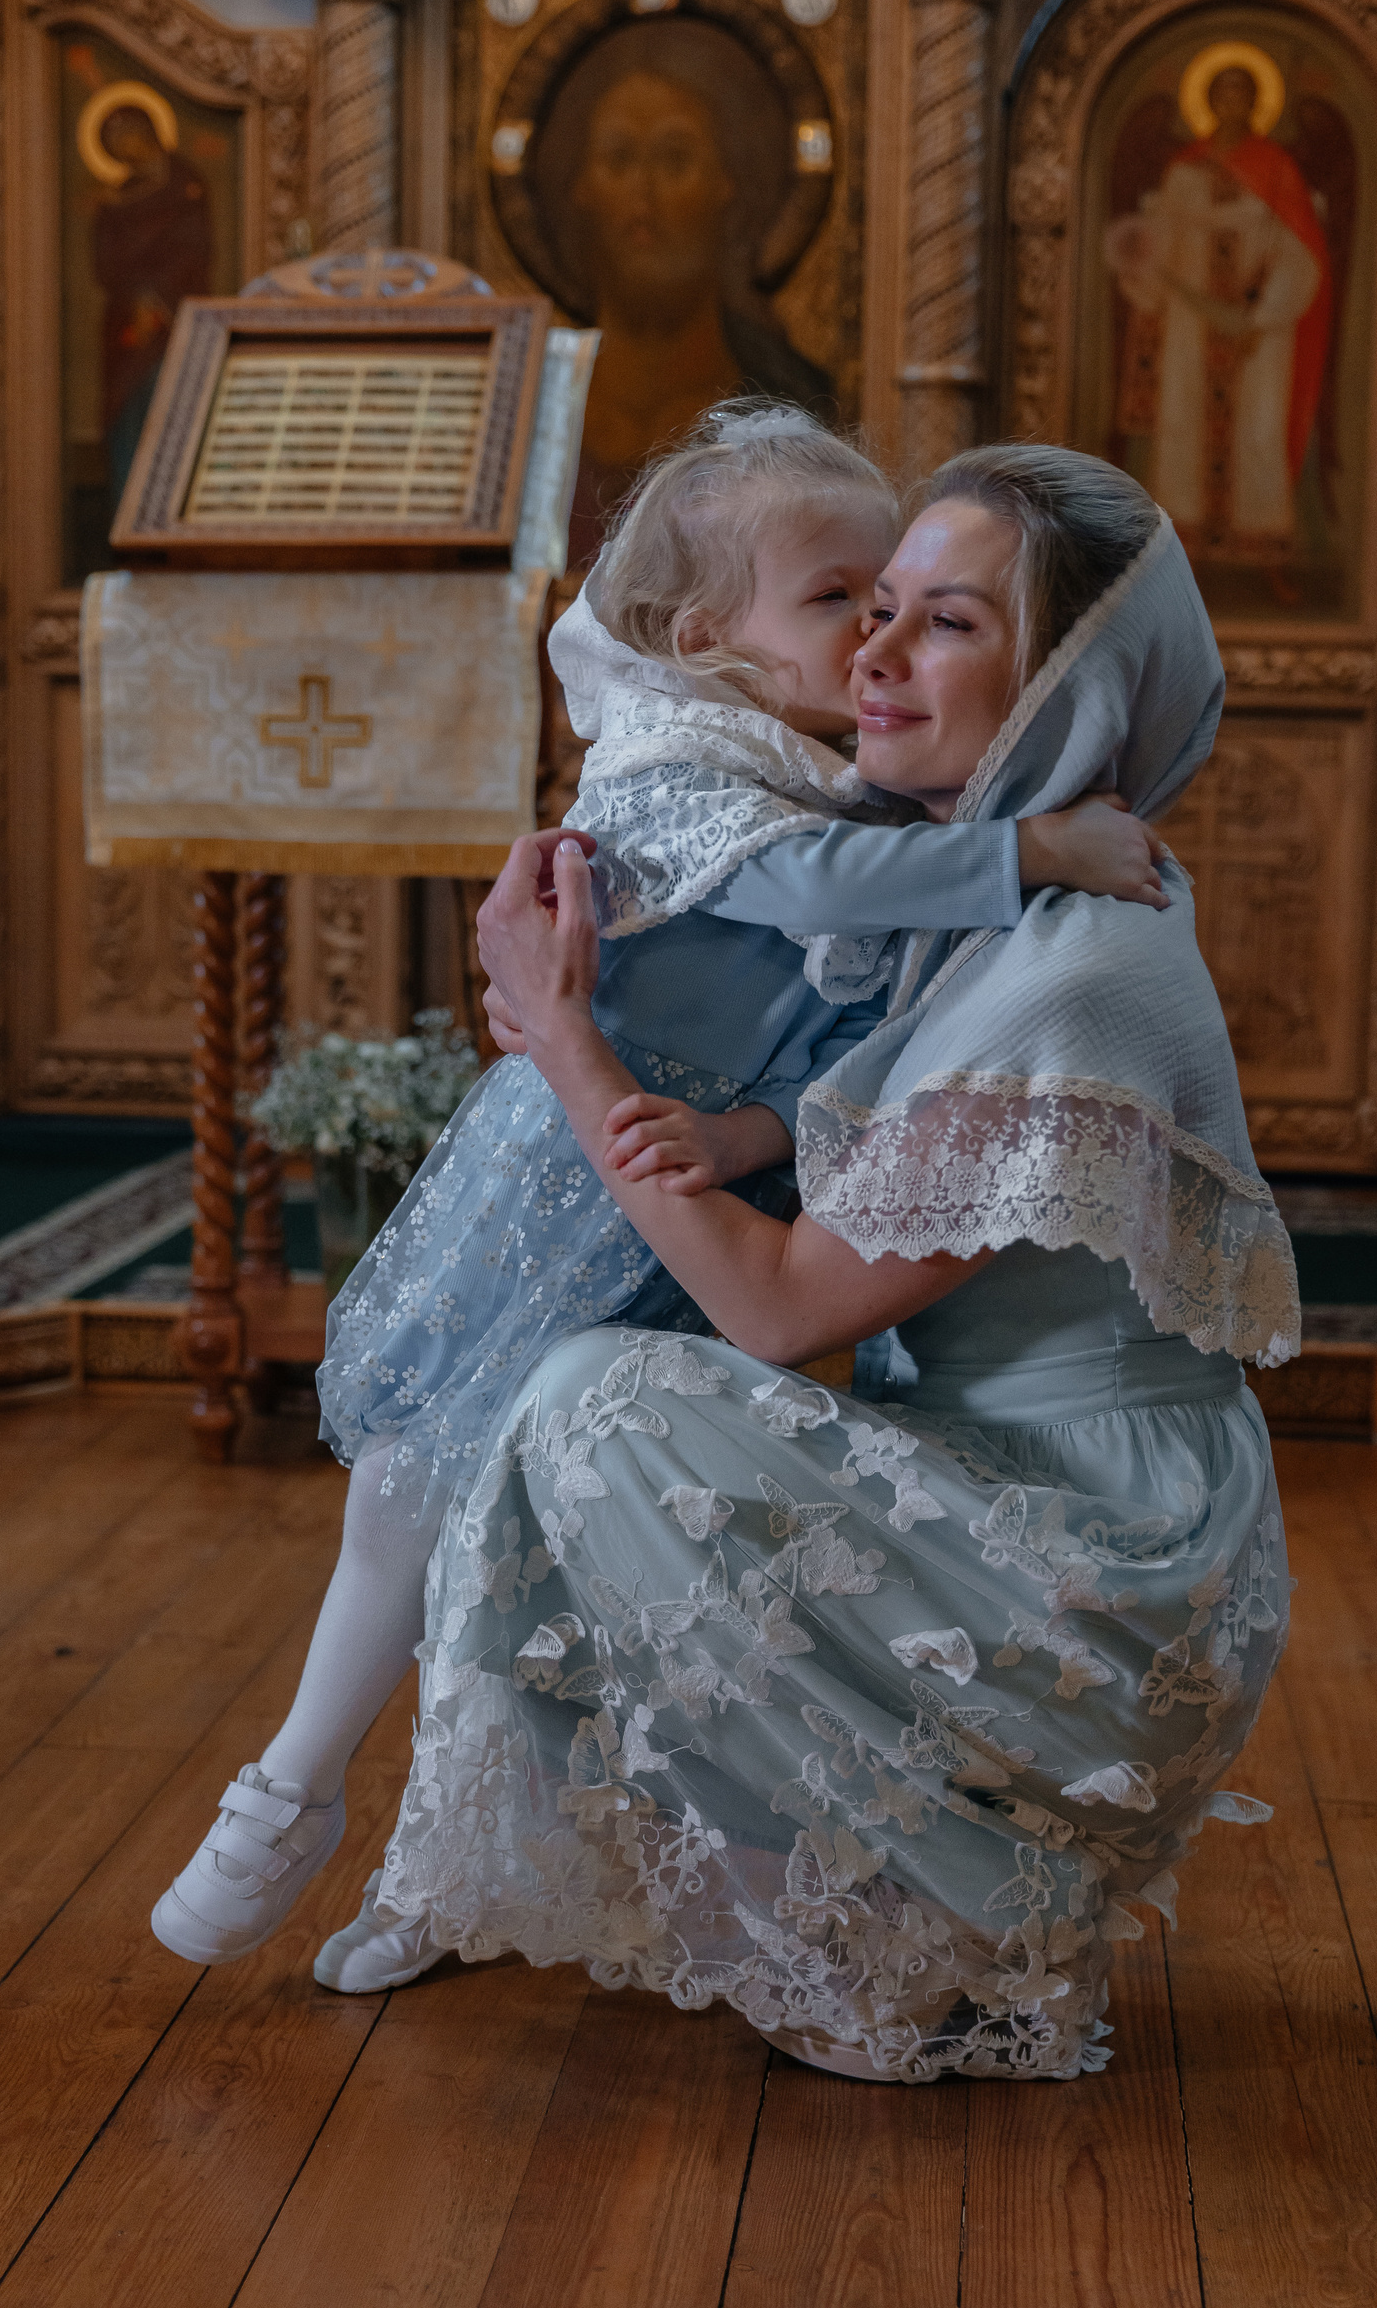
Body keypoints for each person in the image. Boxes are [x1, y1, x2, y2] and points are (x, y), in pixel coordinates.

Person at [149, 410, 1170, 1973]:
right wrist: (1032, 847)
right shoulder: (676, 762)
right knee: (410, 1497)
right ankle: (291, 1783)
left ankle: (461, 1864)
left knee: (552, 1552)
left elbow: (835, 1074)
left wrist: (745, 1142)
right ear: (706, 639)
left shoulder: (860, 795)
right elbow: (806, 892)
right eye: (838, 599)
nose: (874, 635)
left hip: (672, 1215)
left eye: (898, 602)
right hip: (558, 1190)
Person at [336, 444, 1298, 2077]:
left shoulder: (1073, 968)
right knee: (573, 1388)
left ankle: (961, 1885)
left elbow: (775, 1308)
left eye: (947, 622)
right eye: (873, 605)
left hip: (1112, 1577)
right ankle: (847, 1879)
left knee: (597, 1399)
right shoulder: (972, 906)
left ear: (1069, 685)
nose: (874, 652)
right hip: (1021, 1490)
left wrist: (567, 1041)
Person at [566, 68, 833, 562]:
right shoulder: (536, 394)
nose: (643, 194)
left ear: (724, 185)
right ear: (583, 187)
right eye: (619, 158)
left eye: (674, 159)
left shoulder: (791, 396)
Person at [1104, 62, 1330, 570]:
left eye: (1242, 93)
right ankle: (1179, 550)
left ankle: (1261, 547)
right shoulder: (1184, 170)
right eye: (1222, 93)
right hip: (1190, 321)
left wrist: (1262, 316)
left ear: (1254, 102)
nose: (1232, 102)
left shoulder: (1276, 169)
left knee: (1259, 427)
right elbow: (1163, 243)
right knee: (1184, 420)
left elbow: (1299, 249)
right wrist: (1143, 276)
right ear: (1208, 101)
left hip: (1260, 327)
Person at [92, 103, 212, 522]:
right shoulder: (116, 198)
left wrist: (157, 298)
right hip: (126, 328)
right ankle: (129, 518)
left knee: (173, 414)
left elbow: (193, 250)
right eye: (114, 143)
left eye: (128, 135)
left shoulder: (185, 185)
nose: (125, 147)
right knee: (126, 417)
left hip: (175, 322)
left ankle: (171, 522)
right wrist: (136, 297)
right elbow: (105, 264)